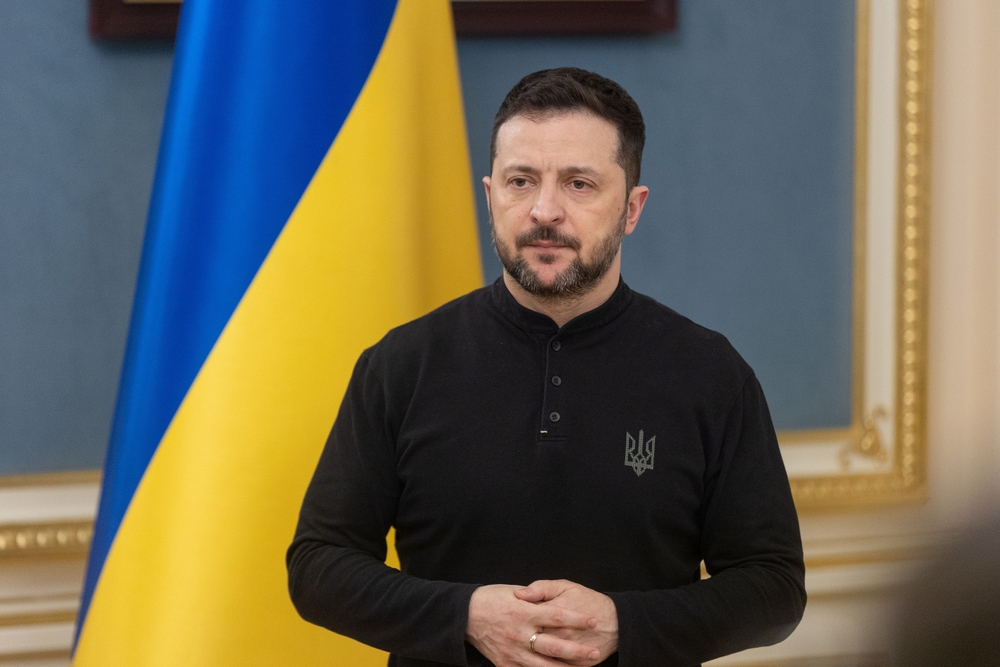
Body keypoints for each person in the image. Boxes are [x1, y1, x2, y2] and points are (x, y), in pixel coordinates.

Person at [287, 67, 806, 667]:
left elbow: (774, 588)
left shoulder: (712, 375)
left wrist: (624, 624)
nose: (544, 210)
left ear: (632, 208)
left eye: (579, 184)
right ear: (490, 196)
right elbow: (318, 566)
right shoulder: (399, 366)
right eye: (521, 181)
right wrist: (466, 616)